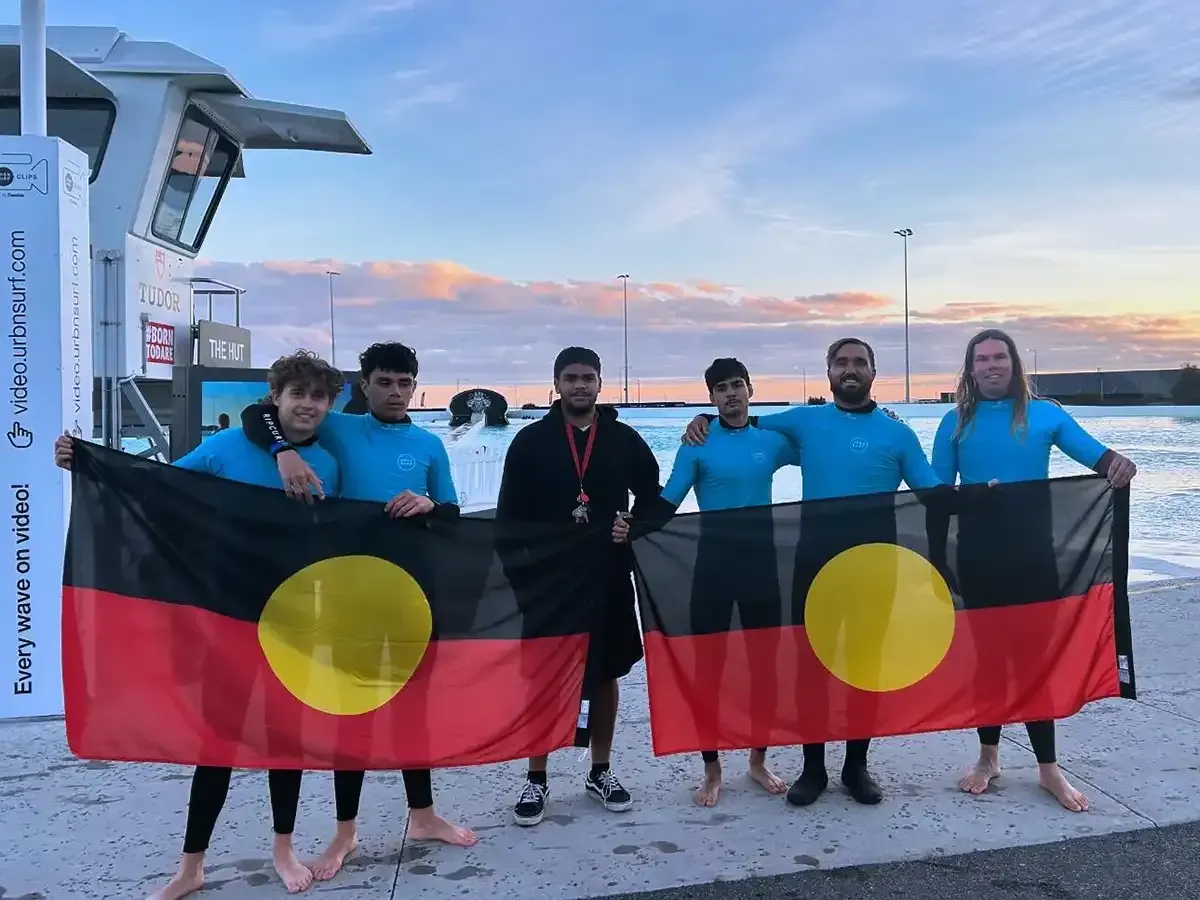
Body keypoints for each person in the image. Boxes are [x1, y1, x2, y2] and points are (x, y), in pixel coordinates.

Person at [56, 350, 345, 900]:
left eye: (318, 396)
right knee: (218, 742)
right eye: (297, 394)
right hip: (227, 616)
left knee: (287, 740)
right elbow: (157, 485)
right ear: (276, 399)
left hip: (297, 621)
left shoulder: (329, 464)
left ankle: (284, 848)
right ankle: (192, 865)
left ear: (329, 405)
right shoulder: (227, 447)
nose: (307, 405)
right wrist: (90, 463)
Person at [239, 341, 477, 863]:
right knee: (353, 712)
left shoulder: (429, 444)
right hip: (347, 594)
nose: (395, 392)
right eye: (384, 382)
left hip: (412, 594)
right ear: (363, 385)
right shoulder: (340, 427)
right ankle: (345, 831)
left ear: (416, 386)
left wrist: (430, 503)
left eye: (404, 383)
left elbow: (454, 509)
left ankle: (424, 814)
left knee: (413, 709)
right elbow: (259, 413)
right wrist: (285, 452)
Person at [682, 337, 944, 808]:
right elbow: (742, 425)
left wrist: (991, 497)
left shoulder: (897, 432)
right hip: (814, 563)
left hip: (874, 566)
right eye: (841, 362)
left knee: (866, 666)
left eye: (859, 362)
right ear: (828, 371)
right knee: (811, 668)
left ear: (872, 372)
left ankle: (856, 766)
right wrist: (701, 420)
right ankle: (813, 767)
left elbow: (932, 491)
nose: (850, 369)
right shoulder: (804, 420)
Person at [931, 328, 1137, 813]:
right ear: (970, 368)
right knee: (987, 662)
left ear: (1014, 363)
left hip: (1034, 558)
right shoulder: (954, 422)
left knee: (1033, 662)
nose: (991, 366)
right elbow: (936, 495)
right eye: (981, 359)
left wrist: (1118, 463)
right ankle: (988, 757)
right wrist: (938, 559)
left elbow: (1094, 454)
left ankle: (1048, 768)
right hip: (978, 560)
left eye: (999, 357)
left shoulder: (1045, 415)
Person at [496, 346, 669, 827]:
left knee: (608, 671)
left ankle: (600, 770)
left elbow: (656, 497)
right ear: (556, 384)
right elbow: (508, 518)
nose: (579, 385)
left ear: (599, 383)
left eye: (587, 377)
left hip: (608, 574)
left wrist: (635, 524)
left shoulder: (622, 438)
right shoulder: (530, 442)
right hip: (549, 582)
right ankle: (537, 776)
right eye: (570, 377)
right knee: (545, 677)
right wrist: (521, 579)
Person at [659, 358, 796, 806]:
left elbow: (819, 444)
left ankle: (758, 761)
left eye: (737, 385)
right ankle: (712, 770)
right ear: (711, 397)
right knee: (709, 673)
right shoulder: (696, 445)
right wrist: (629, 526)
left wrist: (880, 420)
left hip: (761, 570)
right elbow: (668, 500)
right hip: (712, 571)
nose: (731, 394)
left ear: (751, 390)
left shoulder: (770, 442)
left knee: (764, 671)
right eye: (721, 389)